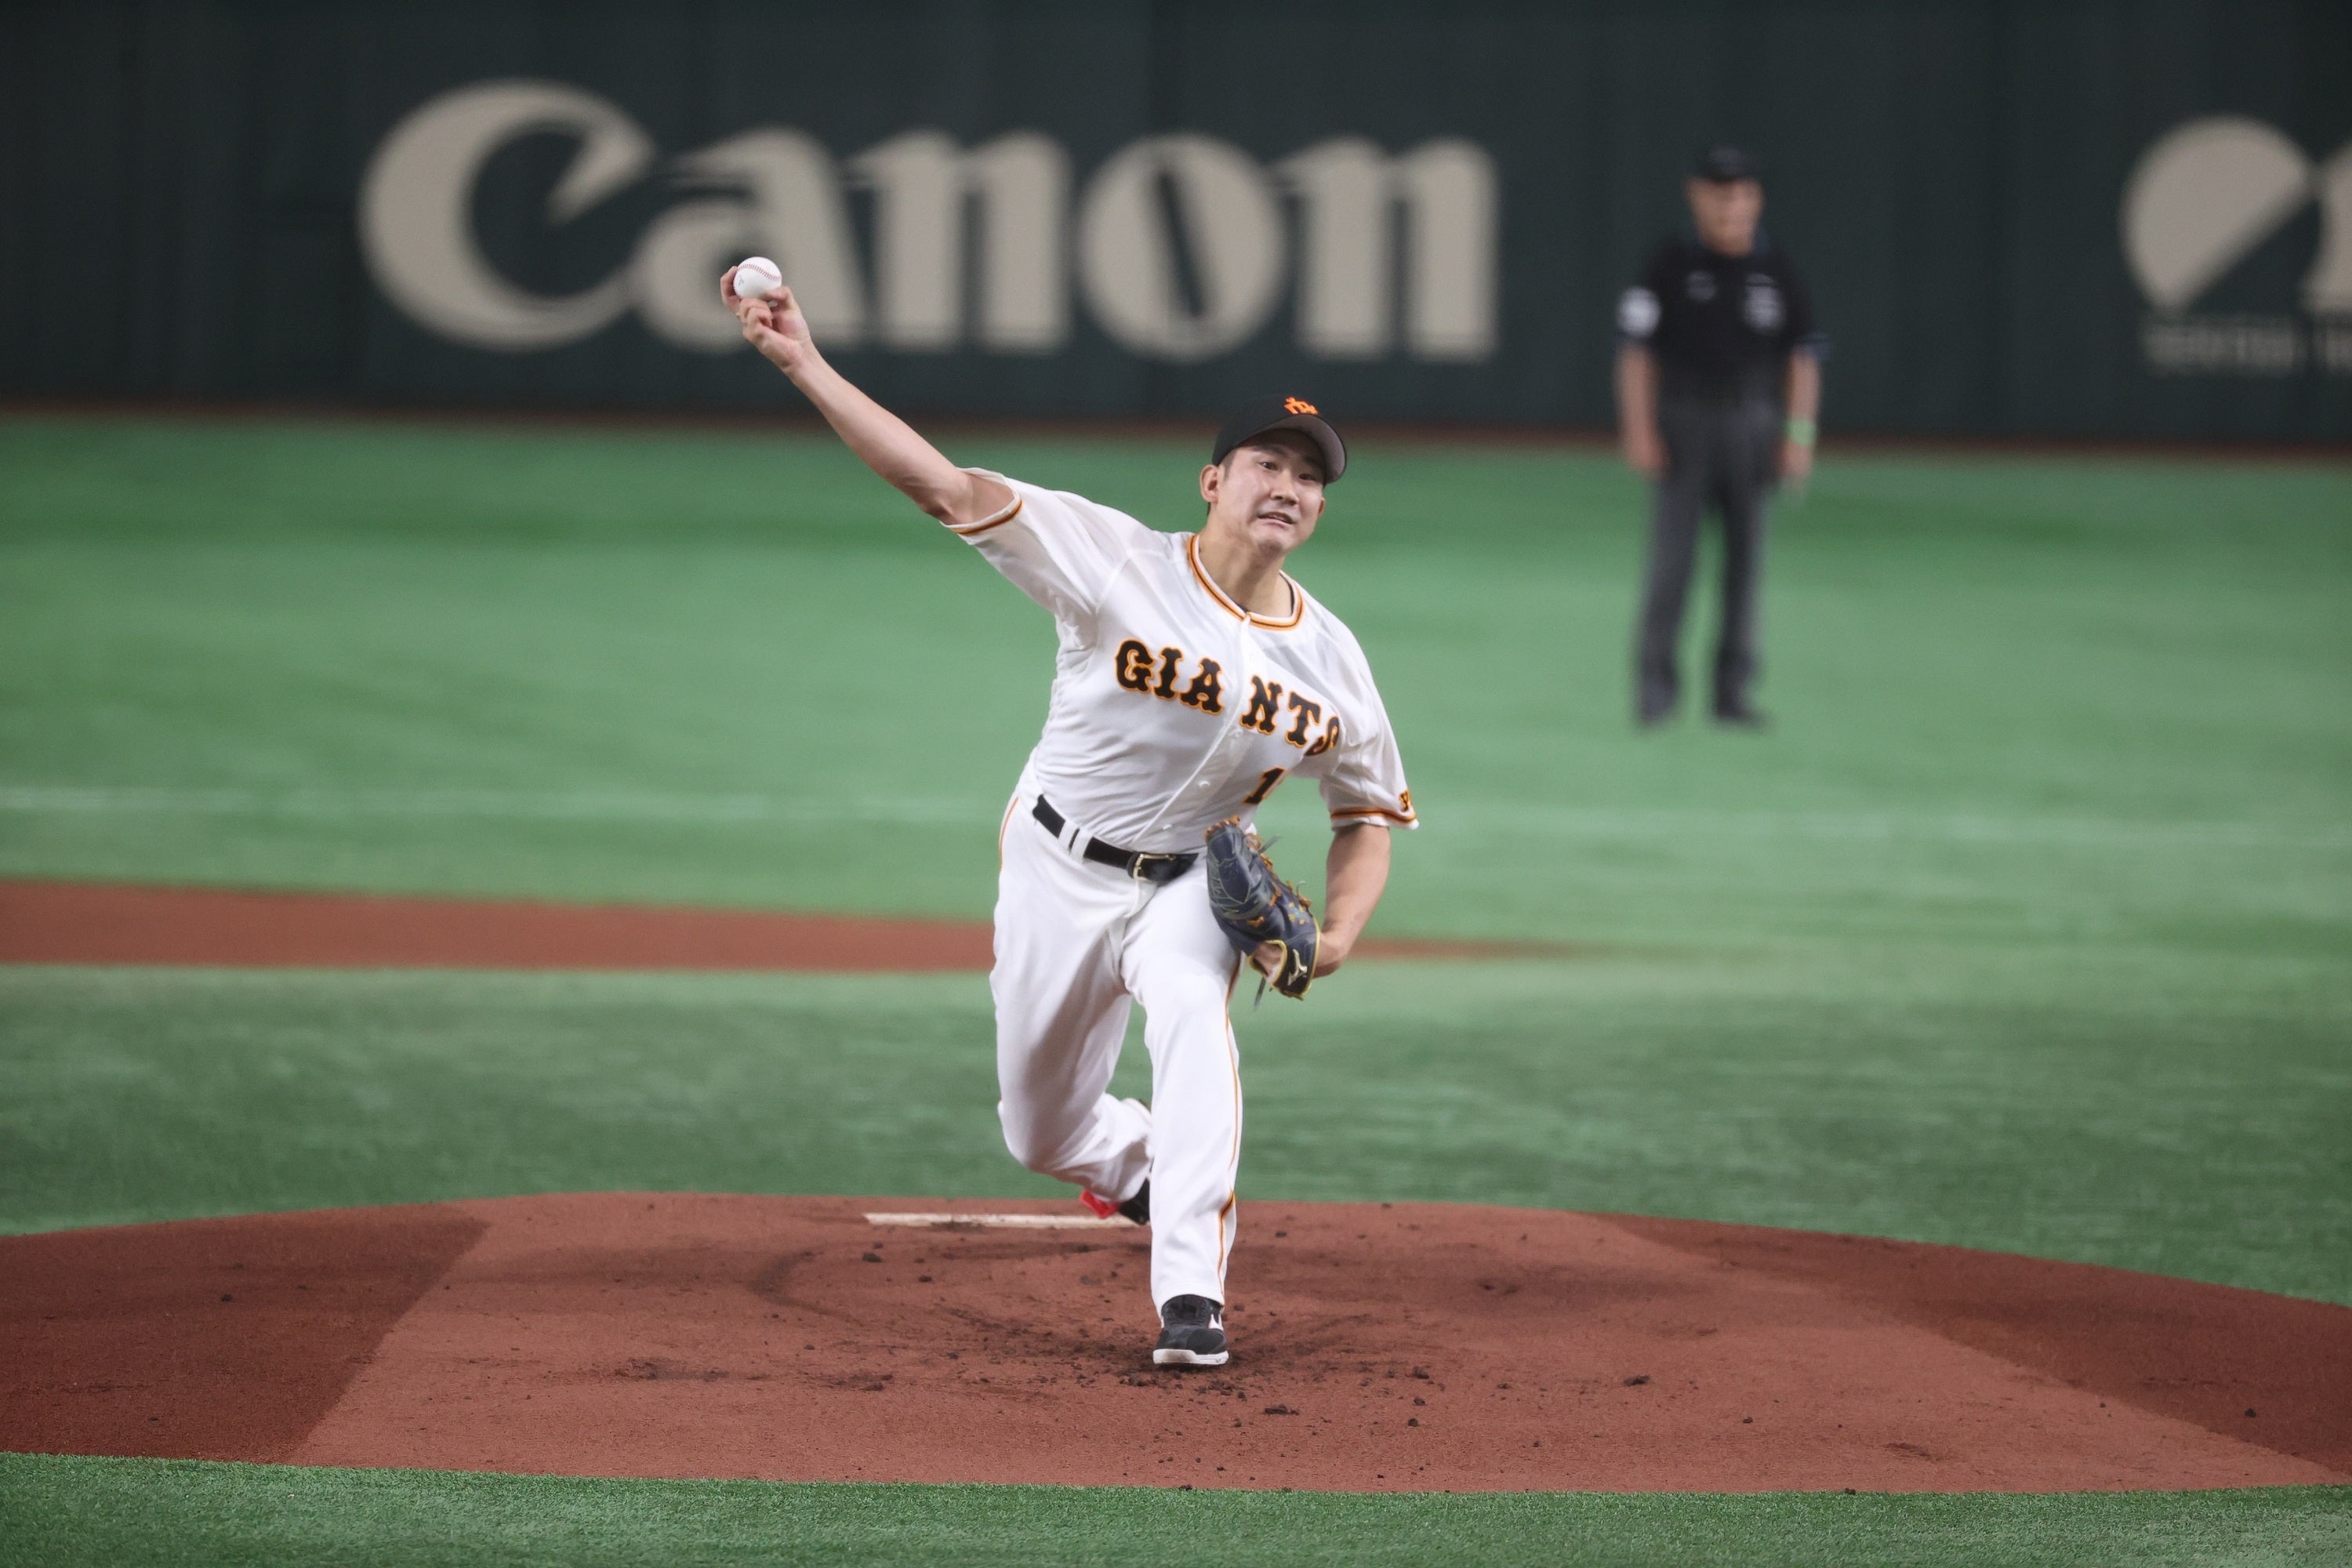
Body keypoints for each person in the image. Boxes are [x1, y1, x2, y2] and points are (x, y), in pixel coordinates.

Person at [723, 266, 1417, 1368]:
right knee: (1037, 1128)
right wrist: (804, 362)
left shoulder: (1335, 660)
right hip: (1056, 863)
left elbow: (1368, 813)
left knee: (1195, 1021)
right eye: (1266, 465)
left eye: (1309, 476)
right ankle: (1135, 1170)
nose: (1288, 485)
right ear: (1212, 480)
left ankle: (1192, 1297)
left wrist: (1332, 940)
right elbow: (944, 489)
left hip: (1193, 885)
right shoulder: (1115, 561)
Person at [1617, 145, 1824, 728]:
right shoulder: (1672, 263)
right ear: (1696, 195)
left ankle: (1732, 695)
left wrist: (1799, 435)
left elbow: (1802, 360)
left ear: (1754, 198)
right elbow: (1636, 354)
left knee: (1746, 567)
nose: (1729, 201)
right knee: (1672, 566)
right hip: (1684, 422)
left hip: (1754, 423)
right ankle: (1656, 694)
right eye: (1717, 189)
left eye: (1739, 190)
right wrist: (1639, 428)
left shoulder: (1776, 268)